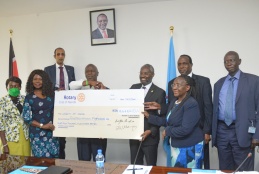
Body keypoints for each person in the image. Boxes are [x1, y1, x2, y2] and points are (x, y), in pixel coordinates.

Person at [212, 51, 259, 171]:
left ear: (239, 61)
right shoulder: (218, 84)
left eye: (232, 60)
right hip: (222, 131)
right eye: (226, 61)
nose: (229, 63)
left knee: (243, 169)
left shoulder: (253, 81)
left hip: (243, 131)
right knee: (225, 169)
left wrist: (257, 135)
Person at [144, 75, 204, 168]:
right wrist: (149, 116)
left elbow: (185, 129)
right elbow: (168, 121)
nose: (174, 87)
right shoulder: (174, 102)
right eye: (173, 85)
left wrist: (167, 131)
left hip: (190, 147)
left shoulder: (191, 104)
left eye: (178, 85)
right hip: (177, 146)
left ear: (187, 87)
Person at [167, 55, 213, 169]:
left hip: (199, 131)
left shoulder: (203, 81)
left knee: (200, 164)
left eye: (185, 63)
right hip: (179, 132)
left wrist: (207, 131)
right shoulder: (172, 83)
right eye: (179, 64)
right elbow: (172, 107)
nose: (181, 66)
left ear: (191, 65)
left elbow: (208, 107)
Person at [69, 64, 108, 161]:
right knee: (83, 160)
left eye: (92, 71)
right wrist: (89, 82)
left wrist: (104, 91)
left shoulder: (105, 89)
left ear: (97, 73)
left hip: (99, 133)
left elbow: (109, 109)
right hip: (83, 133)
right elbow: (70, 85)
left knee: (99, 161)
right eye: (87, 71)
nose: (89, 73)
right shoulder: (79, 89)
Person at [129, 64, 166, 166]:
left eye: (146, 73)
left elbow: (162, 117)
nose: (142, 75)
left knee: (151, 168)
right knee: (135, 167)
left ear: (153, 75)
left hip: (150, 138)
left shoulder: (160, 92)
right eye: (141, 73)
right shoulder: (133, 88)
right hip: (134, 137)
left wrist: (150, 131)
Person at [44, 47, 75, 159]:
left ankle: (62, 160)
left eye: (62, 54)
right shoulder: (48, 69)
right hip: (53, 105)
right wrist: (56, 89)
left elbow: (73, 86)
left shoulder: (71, 69)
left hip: (67, 106)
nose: (61, 56)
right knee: (54, 133)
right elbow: (46, 87)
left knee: (62, 136)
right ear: (54, 56)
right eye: (58, 54)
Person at [22, 69, 59, 158]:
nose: (37, 81)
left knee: (54, 161)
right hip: (37, 135)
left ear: (44, 80)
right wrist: (43, 125)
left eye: (40, 79)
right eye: (35, 79)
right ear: (31, 81)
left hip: (52, 133)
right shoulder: (29, 97)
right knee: (40, 163)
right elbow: (26, 118)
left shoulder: (52, 95)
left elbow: (59, 110)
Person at [0, 76, 31, 158]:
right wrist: (5, 145)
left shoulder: (25, 99)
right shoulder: (2, 102)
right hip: (10, 139)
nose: (13, 88)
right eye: (11, 86)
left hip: (25, 138)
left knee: (25, 164)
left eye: (16, 86)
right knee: (11, 165)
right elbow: (0, 125)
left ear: (20, 87)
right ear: (7, 88)